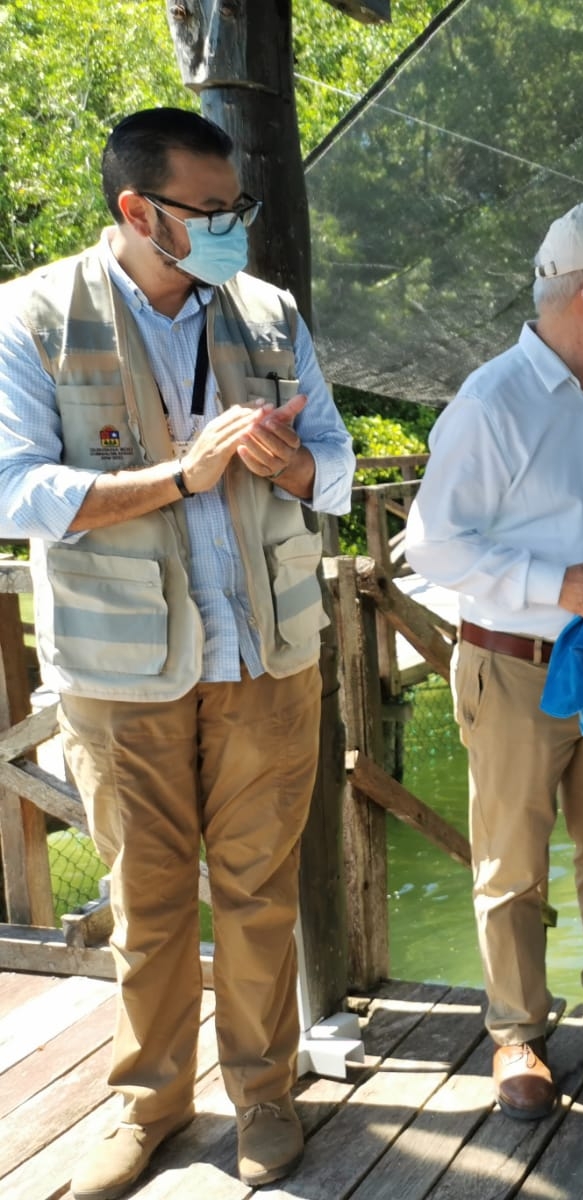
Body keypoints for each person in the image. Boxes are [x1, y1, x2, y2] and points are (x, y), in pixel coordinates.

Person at [0, 108, 354, 1199]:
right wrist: (179, 479)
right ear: (136, 210)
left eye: (237, 206)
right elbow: (15, 487)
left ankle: (262, 1090)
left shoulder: (268, 311)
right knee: (145, 899)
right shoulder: (31, 317)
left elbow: (335, 467)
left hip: (266, 655)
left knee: (258, 890)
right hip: (119, 671)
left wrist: (291, 465)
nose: (231, 229)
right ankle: (146, 1103)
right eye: (211, 211)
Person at [404, 202, 583, 1122]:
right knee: (512, 859)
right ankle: (516, 1031)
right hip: (515, 660)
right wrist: (549, 584)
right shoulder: (493, 399)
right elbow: (429, 548)